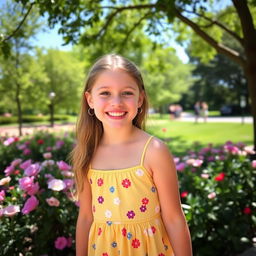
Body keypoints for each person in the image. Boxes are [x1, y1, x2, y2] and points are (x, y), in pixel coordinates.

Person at [69, 54, 193, 256]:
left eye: (126, 93)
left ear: (140, 99)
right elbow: (85, 218)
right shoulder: (86, 153)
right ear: (90, 100)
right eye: (105, 93)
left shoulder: (154, 151)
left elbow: (174, 219)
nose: (116, 102)